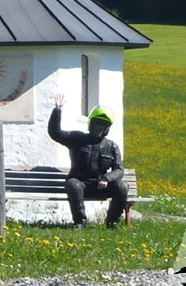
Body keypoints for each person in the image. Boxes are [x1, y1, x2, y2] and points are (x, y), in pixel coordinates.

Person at [48, 94, 128, 228]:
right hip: (80, 185)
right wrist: (57, 110)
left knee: (122, 187)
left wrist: (107, 179)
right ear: (91, 124)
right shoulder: (77, 138)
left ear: (107, 129)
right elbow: (55, 133)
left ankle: (112, 223)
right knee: (73, 184)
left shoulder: (112, 146)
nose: (99, 129)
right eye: (96, 125)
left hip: (100, 186)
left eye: (102, 126)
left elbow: (119, 169)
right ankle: (80, 223)